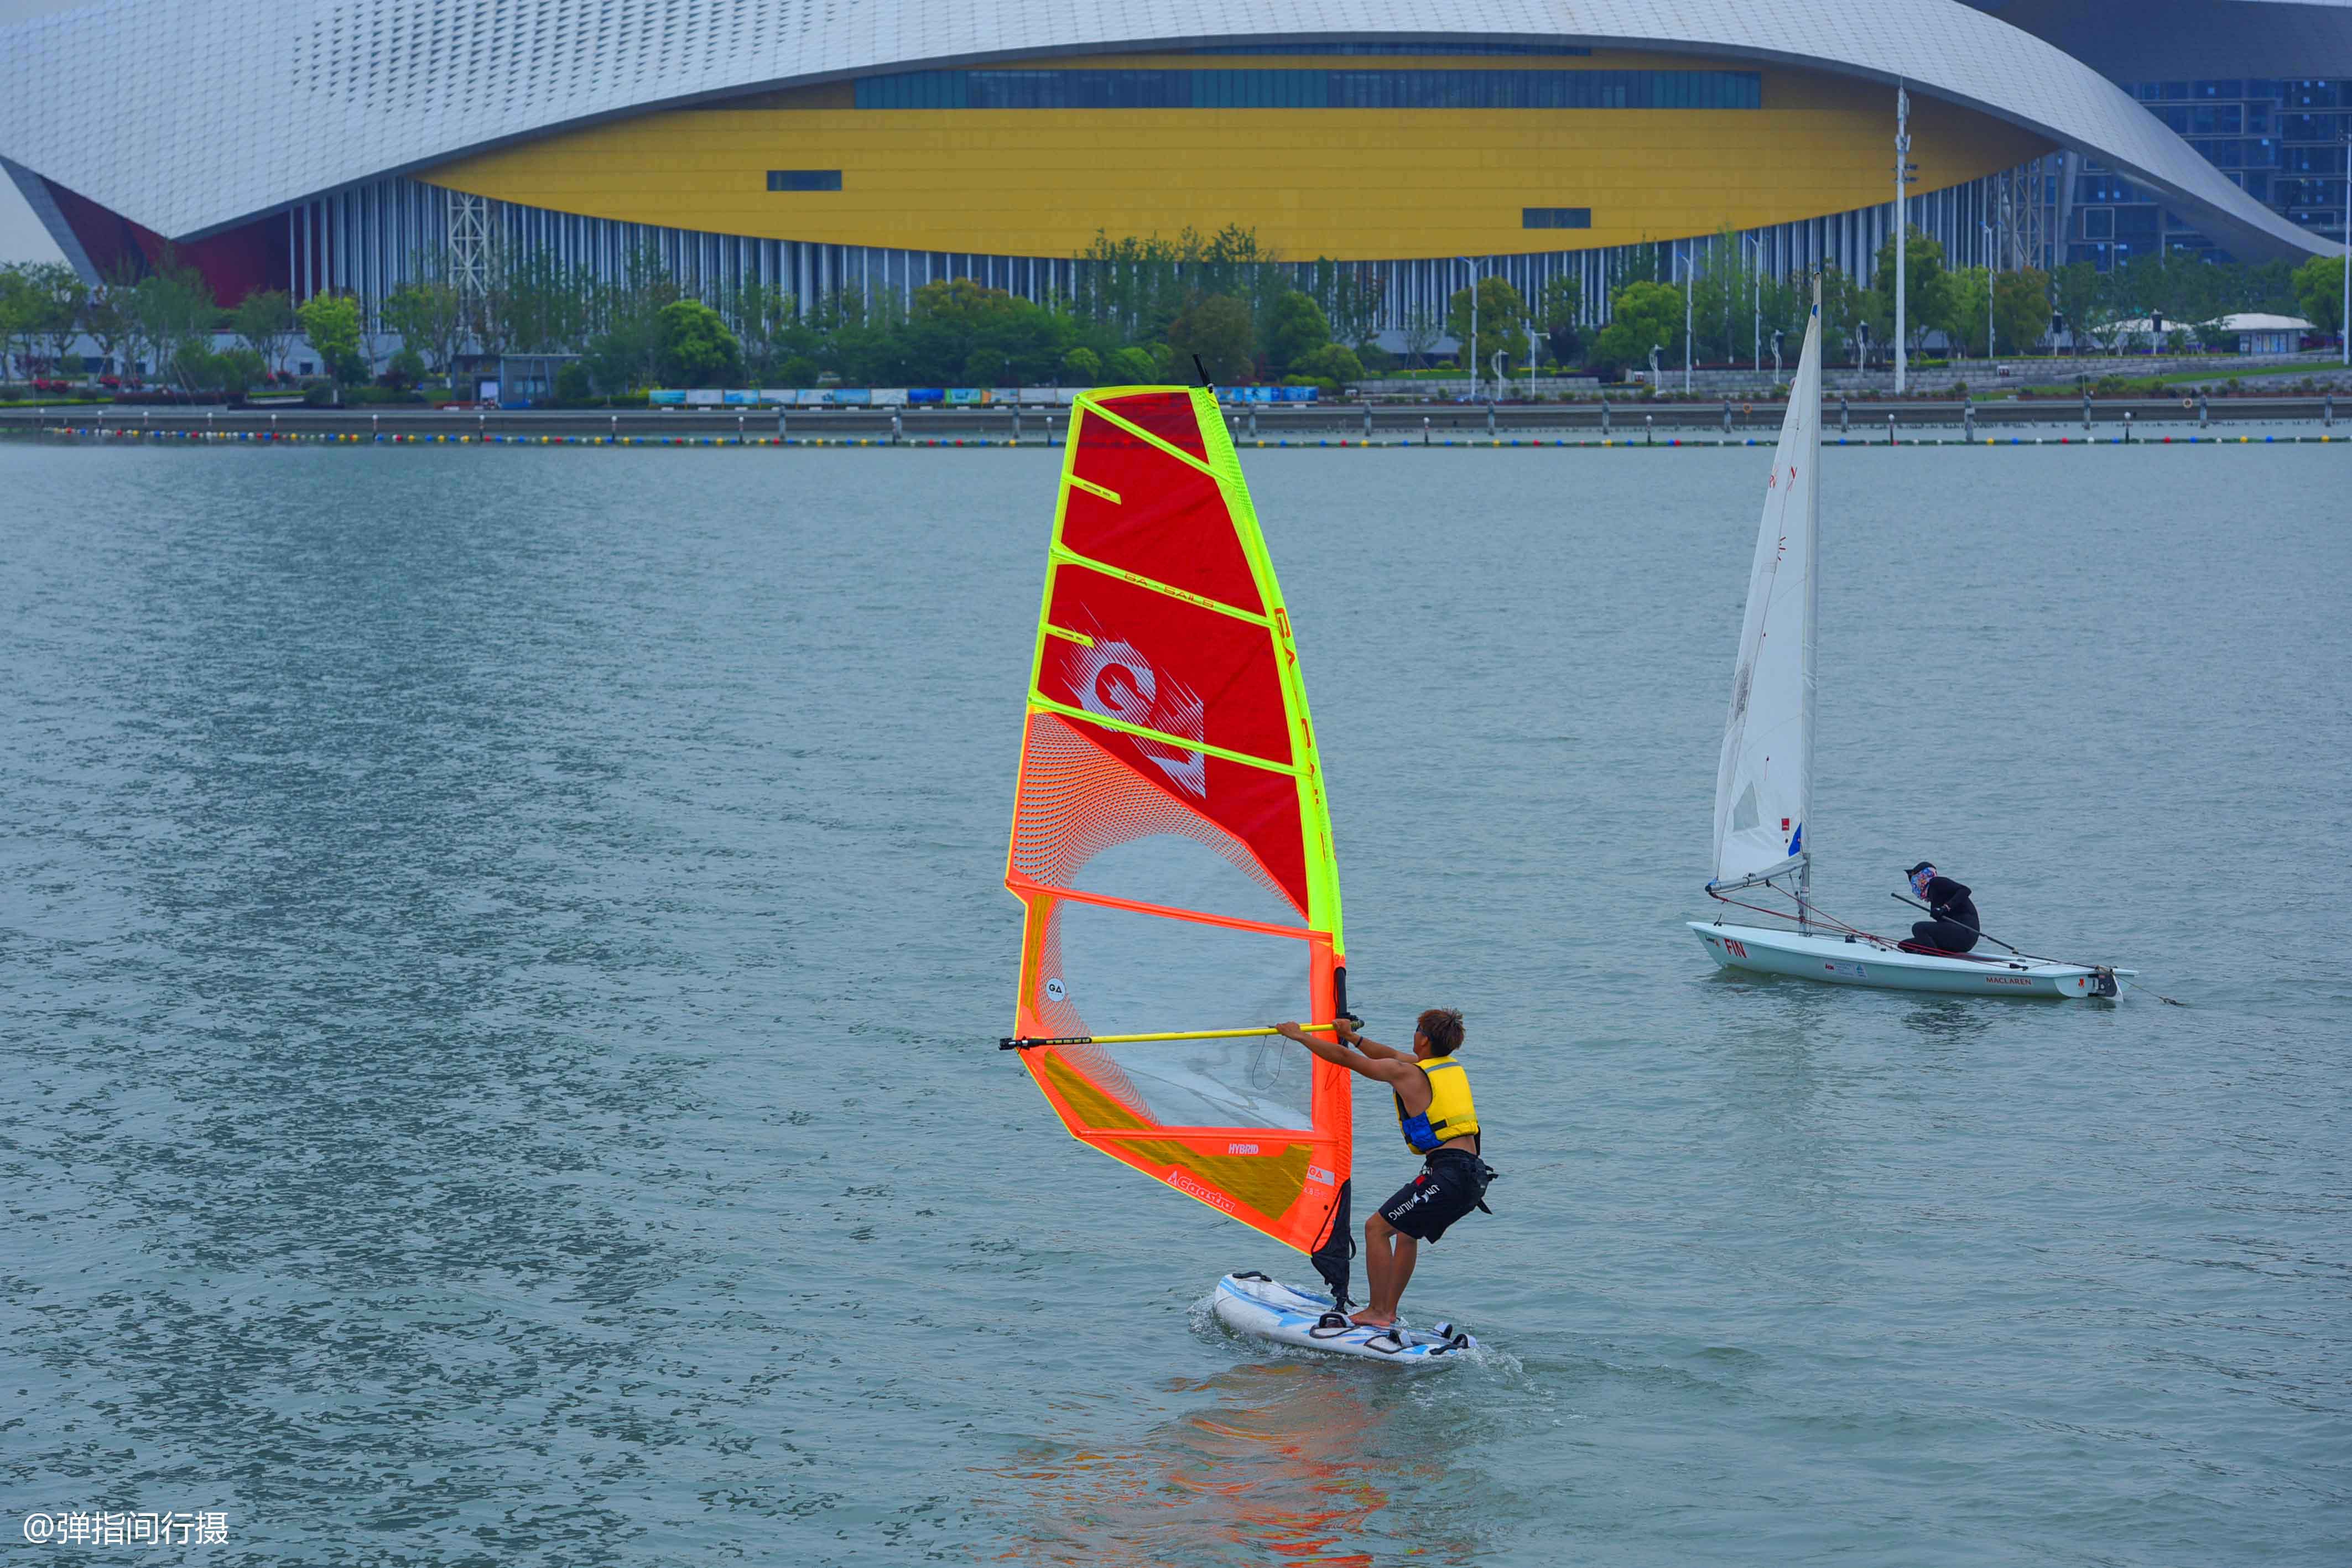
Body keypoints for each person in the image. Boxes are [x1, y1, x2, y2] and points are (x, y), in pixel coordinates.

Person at [1273, 1009, 1491, 1329]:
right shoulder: (1444, 1067)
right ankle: (1386, 1311)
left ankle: (1379, 1311)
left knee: (1376, 1228)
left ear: (1425, 1039)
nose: (1414, 1034)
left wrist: (1300, 1036)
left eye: (1417, 1029)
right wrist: (1352, 1036)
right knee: (1406, 1232)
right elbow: (1385, 1054)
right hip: (1473, 1176)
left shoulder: (1409, 1072)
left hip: (1449, 1175)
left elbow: (1347, 1061)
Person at [1905, 861, 1981, 953]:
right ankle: (1926, 957)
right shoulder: (1933, 895)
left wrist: (1945, 908)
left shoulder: (1936, 882)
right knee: (1905, 945)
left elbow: (1965, 890)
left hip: (1966, 932)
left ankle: (1934, 957)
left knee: (1918, 928)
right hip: (1954, 936)